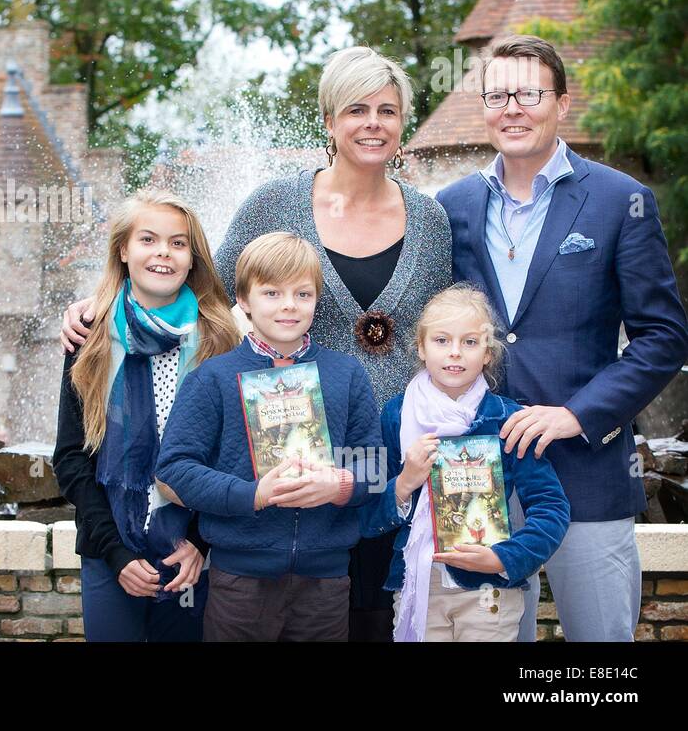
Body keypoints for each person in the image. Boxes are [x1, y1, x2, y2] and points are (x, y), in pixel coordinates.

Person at [63, 46, 452, 640]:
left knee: (376, 618)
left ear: (403, 123)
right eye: (356, 110)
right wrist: (107, 304)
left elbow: (450, 326)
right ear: (328, 120)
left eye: (388, 111)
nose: (373, 123)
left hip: (384, 466)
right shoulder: (275, 203)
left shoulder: (430, 219)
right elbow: (205, 290)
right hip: (280, 477)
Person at [437, 34, 688, 642]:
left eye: (529, 93)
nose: (512, 107)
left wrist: (579, 415)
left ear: (562, 103)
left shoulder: (619, 200)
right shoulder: (451, 207)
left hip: (589, 472)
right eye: (497, 94)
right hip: (478, 477)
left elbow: (663, 337)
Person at [155, 232, 382, 641]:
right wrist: (252, 495)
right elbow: (175, 468)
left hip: (325, 582)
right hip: (239, 580)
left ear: (317, 300)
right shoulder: (213, 378)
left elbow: (376, 466)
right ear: (243, 300)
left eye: (303, 293)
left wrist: (340, 484)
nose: (289, 305)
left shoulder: (345, 374)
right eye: (272, 292)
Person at [52, 188, 240, 641]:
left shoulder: (220, 340)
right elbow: (71, 458)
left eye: (178, 243)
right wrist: (116, 554)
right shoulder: (90, 336)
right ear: (123, 250)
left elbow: (232, 457)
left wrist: (199, 542)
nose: (163, 253)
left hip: (192, 553)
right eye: (148, 239)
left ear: (193, 257)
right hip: (110, 548)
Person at [360, 283, 569, 641]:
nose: (455, 353)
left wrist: (506, 558)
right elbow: (366, 517)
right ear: (421, 348)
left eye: (469, 342)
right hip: (418, 584)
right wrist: (405, 482)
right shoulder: (396, 416)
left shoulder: (506, 420)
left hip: (489, 591)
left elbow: (551, 506)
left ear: (488, 353)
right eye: (441, 341)